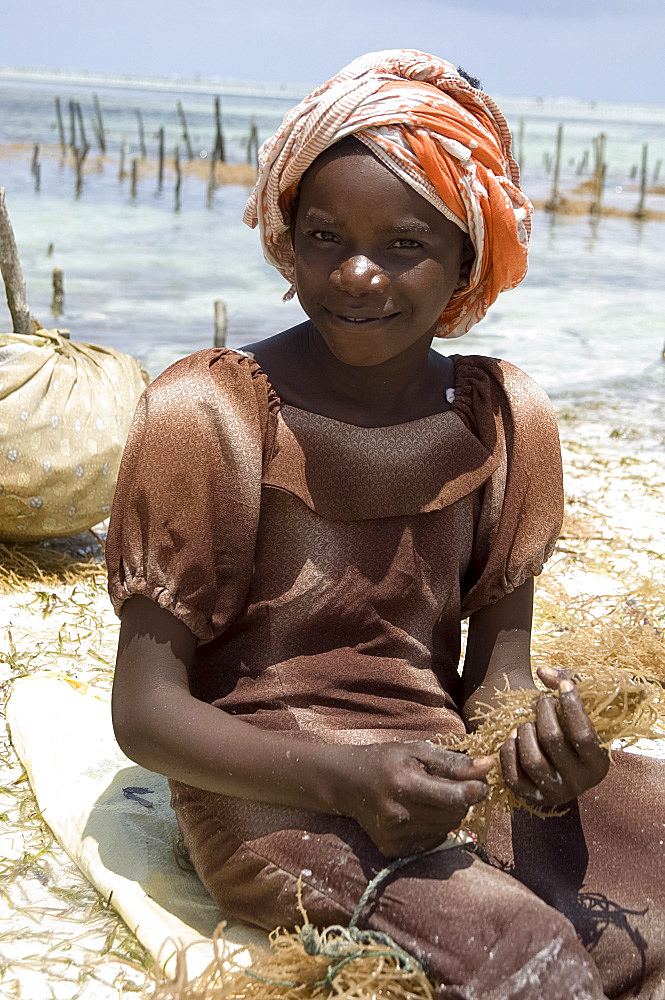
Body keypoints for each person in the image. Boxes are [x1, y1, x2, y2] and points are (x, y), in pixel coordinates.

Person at [106, 50, 665, 1000]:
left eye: (404, 245)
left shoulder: (503, 416)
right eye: (324, 236)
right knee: (527, 955)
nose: (357, 273)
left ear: (465, 258)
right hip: (271, 788)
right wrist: (346, 780)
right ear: (288, 239)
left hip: (441, 770)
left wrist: (539, 756)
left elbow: (496, 679)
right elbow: (146, 714)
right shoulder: (210, 414)